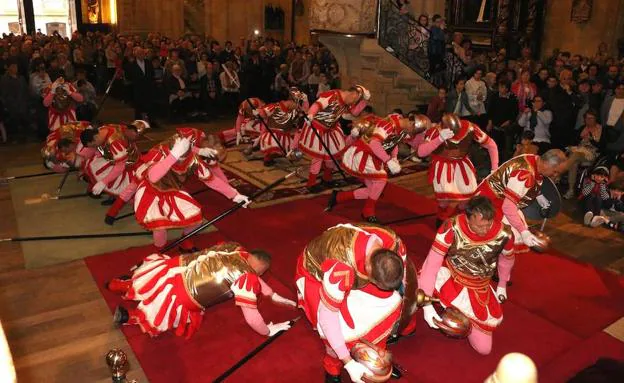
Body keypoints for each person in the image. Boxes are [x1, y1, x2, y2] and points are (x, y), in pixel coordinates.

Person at [295, 223, 415, 383]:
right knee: (338, 328)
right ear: (367, 269)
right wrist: (348, 362)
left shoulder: (394, 243)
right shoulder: (341, 269)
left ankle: (376, 355)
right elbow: (327, 320)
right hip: (314, 273)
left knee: (391, 303)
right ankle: (332, 367)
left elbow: (405, 281)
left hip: (357, 260)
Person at [107, 242, 296, 339]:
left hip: (174, 267)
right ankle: (128, 317)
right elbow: (251, 316)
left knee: (146, 284)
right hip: (184, 292)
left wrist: (273, 295)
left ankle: (118, 285)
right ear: (261, 271)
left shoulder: (235, 248)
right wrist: (267, 331)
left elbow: (254, 277)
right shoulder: (247, 278)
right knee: (160, 316)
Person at [419, 196, 515, 355]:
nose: (484, 230)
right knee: (420, 284)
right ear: (467, 217)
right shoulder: (452, 226)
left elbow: (508, 259)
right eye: (479, 226)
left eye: (488, 224)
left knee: (484, 349)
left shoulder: (504, 233)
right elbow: (432, 264)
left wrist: (502, 284)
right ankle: (438, 301)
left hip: (479, 287)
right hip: (451, 276)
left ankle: (455, 309)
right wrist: (426, 304)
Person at [132, 132, 249, 250]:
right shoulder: (161, 155)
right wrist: (173, 156)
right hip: (151, 192)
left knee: (196, 218)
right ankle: (161, 250)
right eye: (179, 154)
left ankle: (185, 240)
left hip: (173, 191)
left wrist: (235, 195)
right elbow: (153, 177)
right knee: (159, 226)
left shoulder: (193, 160)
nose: (181, 159)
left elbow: (211, 180)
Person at [476, 149, 567, 253]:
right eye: (555, 171)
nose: (555, 176)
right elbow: (508, 207)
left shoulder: (534, 159)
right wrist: (523, 231)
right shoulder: (526, 174)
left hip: (495, 200)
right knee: (511, 239)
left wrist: (538, 195)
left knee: (515, 236)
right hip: (489, 204)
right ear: (546, 163)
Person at [418, 113, 499, 225]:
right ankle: (442, 219)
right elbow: (421, 152)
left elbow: (491, 144)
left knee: (466, 199)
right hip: (443, 165)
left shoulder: (470, 128)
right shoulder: (435, 131)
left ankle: (460, 222)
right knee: (444, 201)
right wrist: (440, 139)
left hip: (462, 164)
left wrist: (494, 168)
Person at [292, 86, 370, 193]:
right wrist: (311, 114)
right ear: (353, 94)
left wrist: (365, 101)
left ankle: (327, 178)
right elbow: (317, 105)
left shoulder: (348, 102)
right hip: (317, 126)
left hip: (331, 128)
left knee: (332, 154)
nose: (354, 102)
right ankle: (311, 183)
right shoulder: (332, 95)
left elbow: (354, 113)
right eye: (356, 99)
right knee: (318, 156)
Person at [327, 118, 402, 222]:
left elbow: (393, 144)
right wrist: (389, 160)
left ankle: (339, 197)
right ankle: (368, 211)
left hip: (374, 158)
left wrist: (394, 158)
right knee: (381, 180)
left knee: (373, 191)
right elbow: (372, 143)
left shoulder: (395, 129)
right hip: (362, 155)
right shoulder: (382, 126)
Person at [257, 88, 308, 166]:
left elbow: (305, 112)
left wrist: (305, 100)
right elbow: (262, 113)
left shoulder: (295, 109)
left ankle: (271, 155)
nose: (295, 104)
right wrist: (257, 113)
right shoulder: (275, 106)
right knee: (273, 148)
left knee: (295, 155)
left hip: (285, 136)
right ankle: (265, 155)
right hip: (272, 135)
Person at [564, 109, 606, 199]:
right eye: (587, 118)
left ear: (596, 119)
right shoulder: (582, 128)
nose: (589, 120)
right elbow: (574, 142)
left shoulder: (601, 129)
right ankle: (571, 189)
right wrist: (580, 137)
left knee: (574, 156)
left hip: (592, 153)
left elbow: (602, 146)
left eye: (591, 118)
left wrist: (591, 139)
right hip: (579, 151)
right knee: (574, 162)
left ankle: (559, 171)